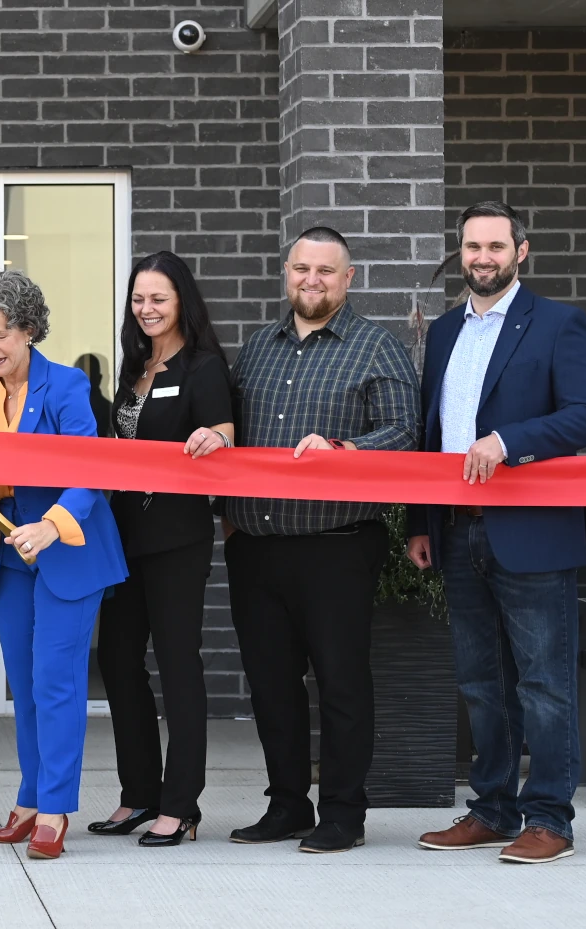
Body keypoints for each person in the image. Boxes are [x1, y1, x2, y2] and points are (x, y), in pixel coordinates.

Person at [407, 202, 586, 865]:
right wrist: (419, 522)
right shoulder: (442, 333)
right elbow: (430, 436)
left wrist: (508, 440)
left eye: (496, 244)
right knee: (479, 682)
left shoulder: (557, 324)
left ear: (521, 250)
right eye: (472, 246)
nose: (483, 256)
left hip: (534, 532)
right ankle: (492, 808)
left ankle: (549, 817)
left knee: (544, 684)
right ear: (460, 253)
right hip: (459, 532)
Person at [222, 227, 419, 854]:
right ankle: (286, 805)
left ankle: (341, 813)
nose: (313, 279)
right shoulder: (257, 349)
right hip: (256, 546)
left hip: (336, 545)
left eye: (326, 271)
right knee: (271, 686)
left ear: (348, 278)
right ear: (287, 272)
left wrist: (348, 450)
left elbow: (405, 435)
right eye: (302, 268)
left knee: (340, 685)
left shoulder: (376, 349)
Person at [0, 270, 129, 861]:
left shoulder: (67, 386)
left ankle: (55, 809)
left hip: (66, 554)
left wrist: (51, 525)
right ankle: (29, 800)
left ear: (30, 330)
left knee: (56, 686)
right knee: (25, 689)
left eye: (1, 334)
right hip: (10, 561)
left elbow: (90, 469)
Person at [89, 251, 234, 847]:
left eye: (159, 299)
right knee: (119, 666)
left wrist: (216, 436)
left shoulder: (203, 367)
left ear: (182, 304)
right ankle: (138, 795)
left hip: (177, 539)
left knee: (177, 666)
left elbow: (226, 431)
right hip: (122, 539)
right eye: (138, 298)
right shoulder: (133, 367)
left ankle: (181, 805)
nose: (146, 309)